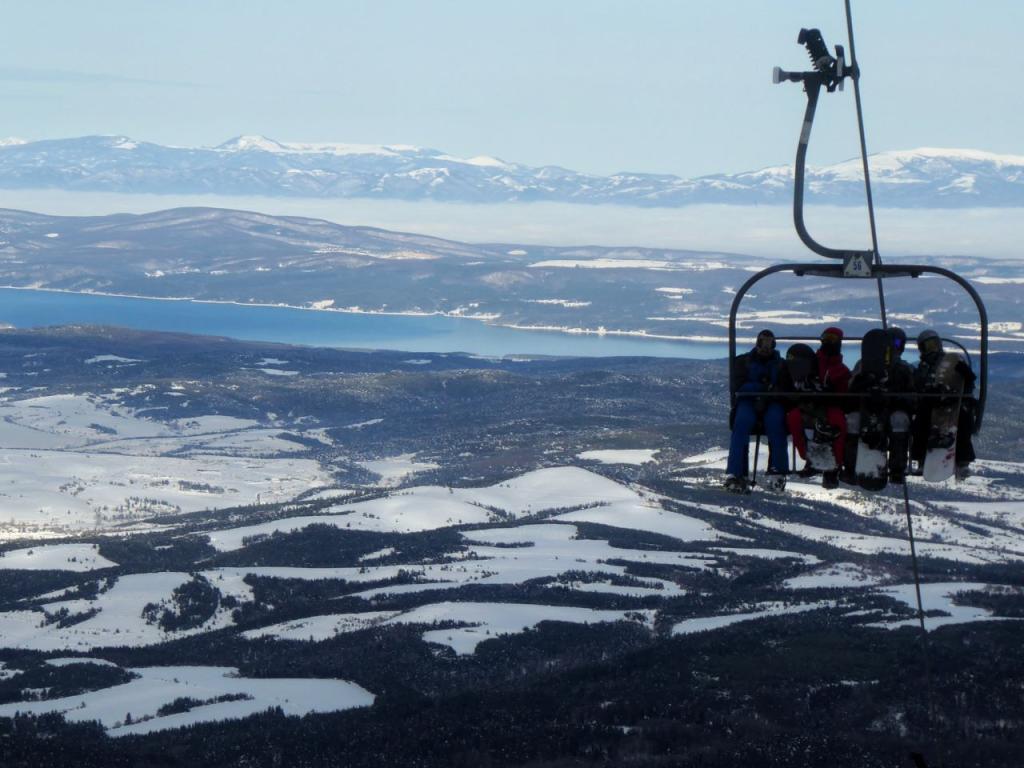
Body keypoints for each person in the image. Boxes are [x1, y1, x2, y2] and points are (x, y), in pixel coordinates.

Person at [844, 327, 915, 484]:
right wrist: (864, 383)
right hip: (866, 408)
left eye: (897, 343)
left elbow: (912, 395)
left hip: (891, 410)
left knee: (899, 420)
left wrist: (897, 398)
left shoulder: (904, 369)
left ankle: (897, 468)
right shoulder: (863, 365)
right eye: (891, 343)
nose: (894, 347)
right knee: (854, 421)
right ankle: (850, 467)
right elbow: (851, 389)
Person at [725, 329, 789, 492]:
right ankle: (735, 473)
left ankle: (778, 472)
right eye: (762, 343)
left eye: (770, 343)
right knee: (742, 423)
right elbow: (738, 385)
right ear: (757, 343)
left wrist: (771, 391)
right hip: (749, 399)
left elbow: (784, 387)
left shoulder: (781, 365)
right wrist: (761, 387)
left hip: (772, 401)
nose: (766, 347)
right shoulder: (744, 362)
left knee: (776, 422)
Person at [786, 326, 850, 489]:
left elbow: (845, 394)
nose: (829, 342)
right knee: (794, 418)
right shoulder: (810, 361)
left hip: (830, 406)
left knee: (838, 423)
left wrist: (832, 391)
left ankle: (834, 466)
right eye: (826, 338)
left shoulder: (841, 370)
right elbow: (797, 378)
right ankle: (810, 459)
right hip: (809, 404)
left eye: (833, 339)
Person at [910, 329, 977, 480]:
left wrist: (966, 376)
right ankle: (921, 459)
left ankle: (963, 462)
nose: (932, 349)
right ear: (922, 349)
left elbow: (967, 385)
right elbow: (917, 387)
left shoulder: (953, 362)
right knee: (921, 421)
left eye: (934, 344)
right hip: (931, 404)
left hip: (953, 403)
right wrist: (929, 390)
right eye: (928, 346)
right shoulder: (922, 369)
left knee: (964, 419)